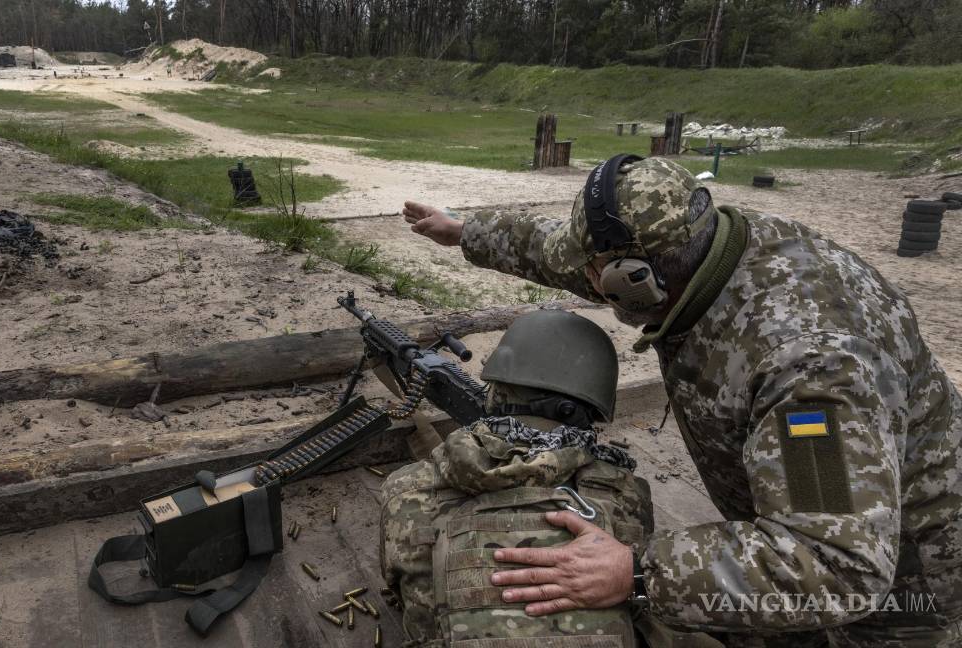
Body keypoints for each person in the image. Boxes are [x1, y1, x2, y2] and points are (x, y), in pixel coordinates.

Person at [401, 155, 962, 646]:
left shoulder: (810, 370)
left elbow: (838, 563)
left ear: (635, 282)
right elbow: (560, 254)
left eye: (595, 273)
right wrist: (465, 232)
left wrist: (639, 572)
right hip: (806, 536)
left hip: (906, 587)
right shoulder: (705, 248)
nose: (583, 277)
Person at [380, 309, 721, 647]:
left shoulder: (404, 488)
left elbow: (399, 586)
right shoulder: (625, 491)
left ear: (497, 390)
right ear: (584, 411)